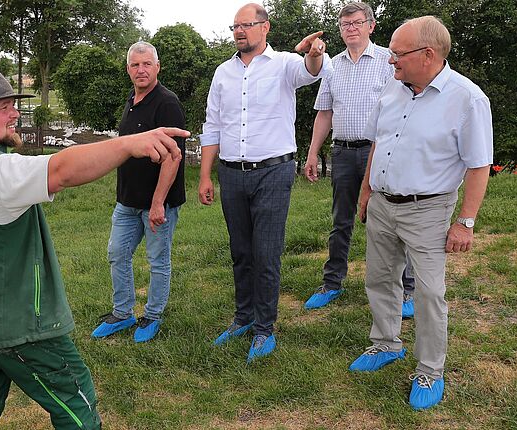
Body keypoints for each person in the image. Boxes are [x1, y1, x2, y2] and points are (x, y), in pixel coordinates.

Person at [0, 69, 187, 429]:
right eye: (4, 107)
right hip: (14, 319)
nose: (15, 114)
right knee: (75, 397)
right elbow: (63, 170)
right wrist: (129, 144)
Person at [350, 16, 492, 410]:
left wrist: (465, 222)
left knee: (429, 293)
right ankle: (385, 344)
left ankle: (430, 369)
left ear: (427, 55)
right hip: (382, 204)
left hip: (428, 209)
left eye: (397, 54)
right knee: (379, 278)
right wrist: (366, 193)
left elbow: (479, 165)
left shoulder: (467, 99)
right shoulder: (392, 92)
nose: (390, 61)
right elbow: (380, 145)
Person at [198, 3, 331, 362]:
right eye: (235, 26)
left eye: (247, 25)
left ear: (265, 27)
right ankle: (243, 317)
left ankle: (264, 328)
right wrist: (206, 174)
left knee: (266, 253)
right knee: (240, 251)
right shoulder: (222, 73)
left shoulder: (286, 64)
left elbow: (312, 71)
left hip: (273, 172)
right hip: (230, 173)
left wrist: (315, 54)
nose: (240, 31)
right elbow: (212, 126)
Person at [301, 1, 417, 316]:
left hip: (380, 151)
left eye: (356, 22)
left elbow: (407, 106)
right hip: (343, 152)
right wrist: (312, 153)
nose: (351, 28)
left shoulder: (388, 61)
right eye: (345, 24)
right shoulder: (331, 65)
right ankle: (332, 283)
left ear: (370, 26)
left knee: (391, 221)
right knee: (341, 220)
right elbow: (324, 113)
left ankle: (407, 290)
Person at [91, 41, 186, 343]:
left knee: (158, 261)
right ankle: (123, 313)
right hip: (127, 202)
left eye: (147, 64)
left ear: (158, 67)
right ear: (128, 69)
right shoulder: (131, 100)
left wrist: (158, 203)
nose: (141, 70)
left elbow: (173, 157)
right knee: (117, 254)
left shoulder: (167, 103)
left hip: (158, 204)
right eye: (135, 65)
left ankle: (153, 316)